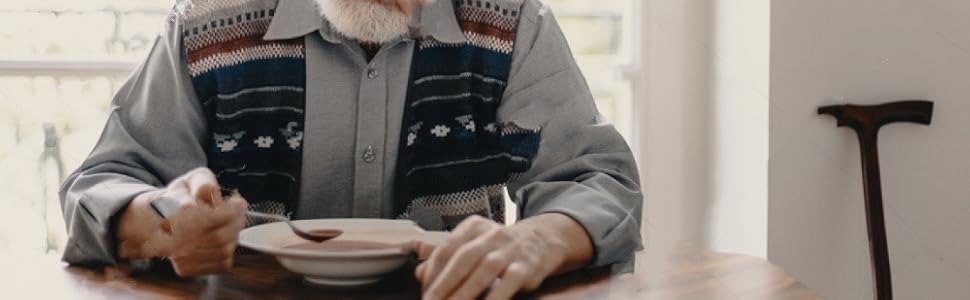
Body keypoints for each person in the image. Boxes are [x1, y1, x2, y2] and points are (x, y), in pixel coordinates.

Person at [59, 0, 643, 298]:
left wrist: (539, 236)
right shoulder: (208, 20)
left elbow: (598, 178)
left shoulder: (511, 21)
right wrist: (160, 222)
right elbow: (105, 181)